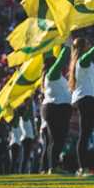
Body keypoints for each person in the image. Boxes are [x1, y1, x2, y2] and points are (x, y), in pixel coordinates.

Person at [69, 29, 94, 176]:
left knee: (86, 133)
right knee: (84, 134)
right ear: (83, 47)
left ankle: (85, 167)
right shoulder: (83, 60)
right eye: (87, 44)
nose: (89, 46)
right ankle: (81, 168)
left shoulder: (81, 61)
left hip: (88, 98)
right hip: (85, 99)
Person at [41, 41, 73, 174]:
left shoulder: (55, 76)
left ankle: (51, 166)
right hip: (56, 109)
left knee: (56, 140)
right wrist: (67, 44)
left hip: (58, 108)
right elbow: (62, 58)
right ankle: (52, 167)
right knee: (57, 139)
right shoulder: (52, 73)